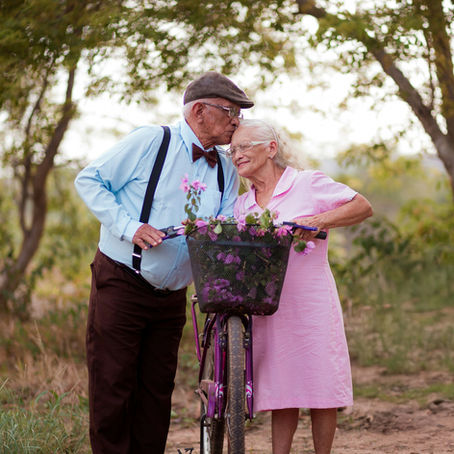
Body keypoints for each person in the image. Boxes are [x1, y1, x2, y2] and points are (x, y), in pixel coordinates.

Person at [74, 72, 254, 454]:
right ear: (199, 111)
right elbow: (89, 180)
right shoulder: (151, 141)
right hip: (122, 282)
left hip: (173, 295)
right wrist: (130, 227)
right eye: (229, 111)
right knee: (113, 386)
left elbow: (218, 232)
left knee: (157, 392)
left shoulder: (226, 169)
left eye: (239, 113)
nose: (236, 121)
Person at [230, 119, 373, 454]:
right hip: (269, 307)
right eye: (232, 149)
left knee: (321, 385)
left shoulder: (307, 184)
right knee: (284, 389)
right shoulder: (242, 205)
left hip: (310, 303)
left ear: (271, 148)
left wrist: (319, 221)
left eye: (244, 146)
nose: (237, 154)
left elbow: (362, 206)